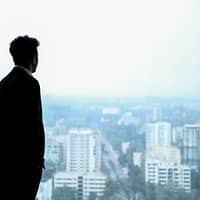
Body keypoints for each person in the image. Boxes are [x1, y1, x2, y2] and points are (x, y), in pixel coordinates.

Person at [0, 35, 45, 199]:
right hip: (26, 166)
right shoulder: (31, 84)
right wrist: (38, 162)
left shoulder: (3, 84)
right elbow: (35, 127)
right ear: (34, 58)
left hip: (6, 164)